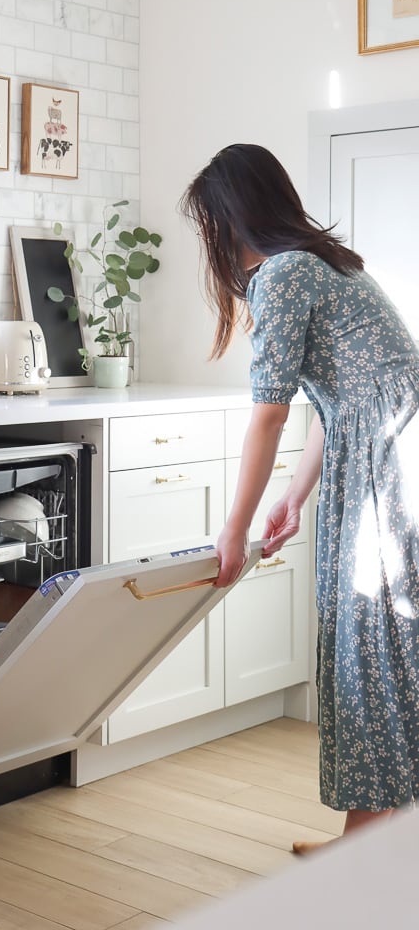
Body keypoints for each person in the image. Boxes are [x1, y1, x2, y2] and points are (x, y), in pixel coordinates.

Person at [181, 143, 419, 855]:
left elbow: (271, 413)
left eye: (207, 224)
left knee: (371, 639)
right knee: (385, 640)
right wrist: (294, 493)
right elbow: (347, 392)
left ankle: (369, 847)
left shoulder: (283, 275)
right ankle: (376, 839)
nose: (208, 241)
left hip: (389, 462)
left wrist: (235, 527)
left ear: (230, 218)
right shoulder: (330, 263)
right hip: (387, 446)